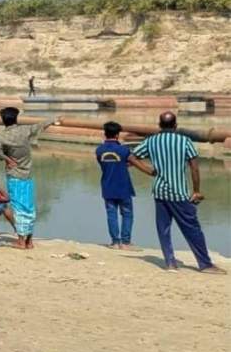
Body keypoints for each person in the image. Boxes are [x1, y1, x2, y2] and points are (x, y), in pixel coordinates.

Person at [128, 112, 225, 273]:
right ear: (175, 125)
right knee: (192, 228)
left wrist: (149, 171)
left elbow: (132, 158)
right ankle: (205, 264)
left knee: (163, 228)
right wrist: (196, 191)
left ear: (159, 125)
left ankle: (170, 263)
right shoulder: (184, 141)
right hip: (179, 193)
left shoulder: (151, 141)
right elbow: (194, 167)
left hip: (159, 191)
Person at [0, 107, 54, 249]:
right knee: (29, 207)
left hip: (14, 175)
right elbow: (41, 125)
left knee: (18, 207)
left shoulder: (2, 136)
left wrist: (6, 158)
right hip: (27, 175)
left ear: (3, 120)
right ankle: (29, 240)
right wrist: (54, 119)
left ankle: (21, 241)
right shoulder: (25, 130)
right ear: (16, 118)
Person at [96, 122, 136, 250]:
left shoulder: (99, 150)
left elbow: (106, 164)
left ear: (105, 133)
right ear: (118, 135)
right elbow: (130, 162)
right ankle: (125, 242)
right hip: (123, 187)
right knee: (127, 214)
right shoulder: (124, 150)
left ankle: (114, 242)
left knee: (111, 214)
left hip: (108, 187)